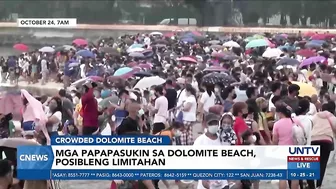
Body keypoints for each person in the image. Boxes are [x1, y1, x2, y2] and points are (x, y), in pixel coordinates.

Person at [194, 113, 229, 189]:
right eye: (211, 123)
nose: (214, 125)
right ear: (205, 124)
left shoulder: (222, 138)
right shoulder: (200, 141)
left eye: (216, 123)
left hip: (222, 181)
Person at [307, 103, 336, 189]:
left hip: (314, 140)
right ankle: (318, 185)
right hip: (326, 141)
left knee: (313, 163)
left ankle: (311, 184)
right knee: (322, 164)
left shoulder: (315, 116)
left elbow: (311, 127)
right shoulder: (333, 118)